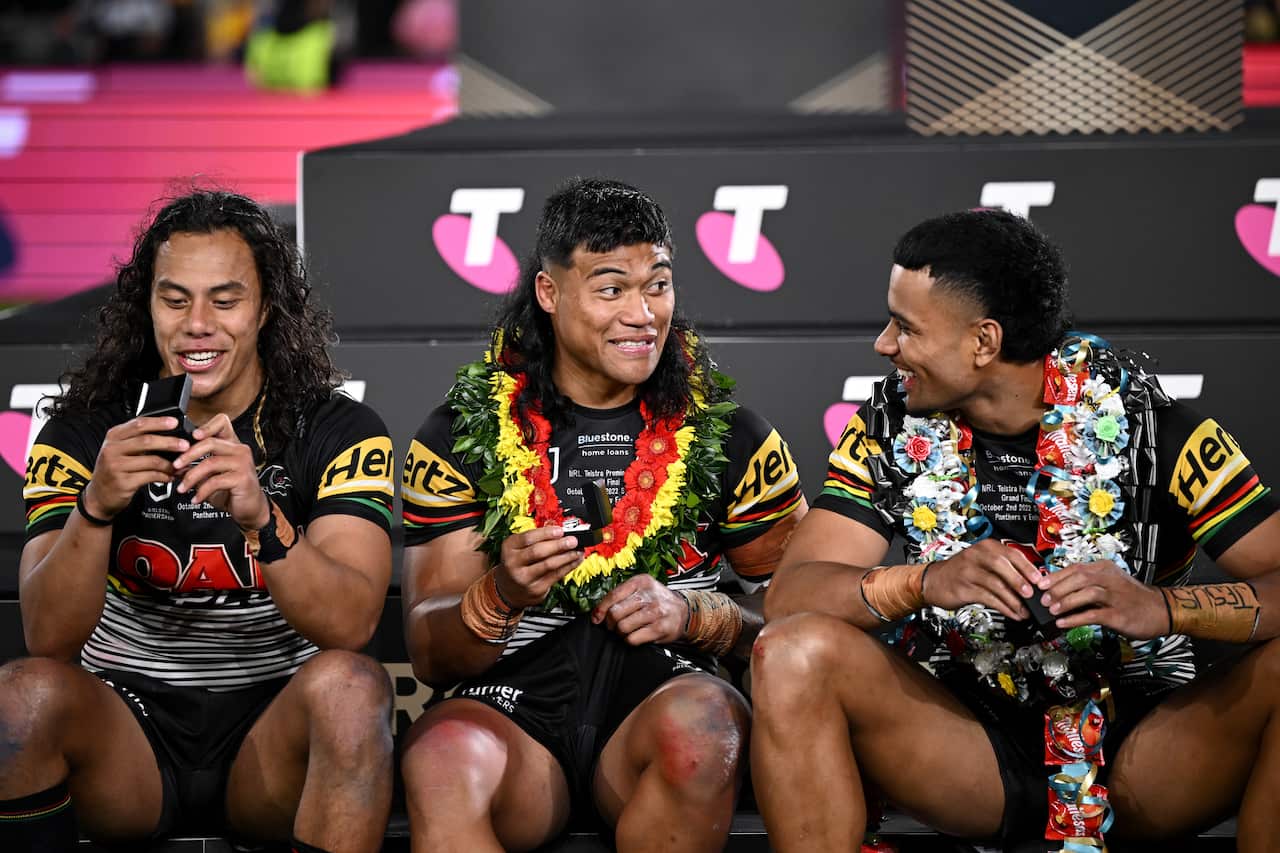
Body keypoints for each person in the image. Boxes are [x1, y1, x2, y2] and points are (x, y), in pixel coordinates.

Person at [751, 208, 1280, 852]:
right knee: (791, 652)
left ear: (984, 341)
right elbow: (792, 595)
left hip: (1144, 748)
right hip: (970, 741)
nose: (885, 345)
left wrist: (1161, 608)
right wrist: (924, 581)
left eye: (906, 327)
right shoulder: (890, 424)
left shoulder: (1152, 428)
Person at [399, 177, 807, 852]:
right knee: (445, 760)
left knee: (706, 733)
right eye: (613, 288)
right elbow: (431, 655)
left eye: (659, 285)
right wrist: (499, 593)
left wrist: (697, 614)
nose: (644, 313)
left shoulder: (732, 432)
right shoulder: (462, 432)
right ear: (549, 294)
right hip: (511, 703)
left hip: (665, 693)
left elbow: (798, 619)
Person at [0, 189, 396, 853]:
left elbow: (352, 625)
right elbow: (47, 637)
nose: (197, 324)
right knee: (17, 697)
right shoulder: (84, 428)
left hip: (272, 724)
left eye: (225, 298)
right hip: (127, 725)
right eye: (175, 298)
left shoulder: (337, 429)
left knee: (354, 690)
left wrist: (260, 517)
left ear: (266, 306)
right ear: (146, 305)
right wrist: (96, 506)